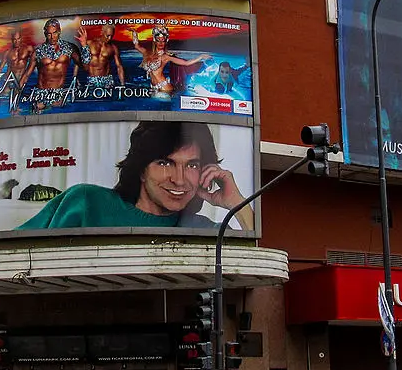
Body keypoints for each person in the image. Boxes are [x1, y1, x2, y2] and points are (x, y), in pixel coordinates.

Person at [18, 121, 253, 231]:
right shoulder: (87, 202)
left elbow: (252, 272)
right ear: (141, 168)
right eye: (165, 163)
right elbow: (10, 252)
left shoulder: (203, 230)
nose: (179, 179)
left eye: (191, 166)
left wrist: (237, 203)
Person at [130, 25, 208, 98]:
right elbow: (137, 46)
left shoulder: (165, 57)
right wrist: (134, 33)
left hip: (164, 88)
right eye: (158, 40)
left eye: (163, 40)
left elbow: (186, 63)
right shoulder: (147, 53)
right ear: (154, 41)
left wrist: (200, 57)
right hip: (153, 87)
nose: (161, 43)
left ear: (165, 41)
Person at [82, 20, 126, 90]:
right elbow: (80, 61)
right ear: (102, 32)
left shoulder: (113, 47)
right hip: (92, 79)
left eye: (112, 36)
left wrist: (123, 85)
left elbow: (119, 66)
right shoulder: (90, 43)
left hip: (107, 80)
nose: (109, 38)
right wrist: (75, 77)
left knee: (109, 100)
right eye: (108, 35)